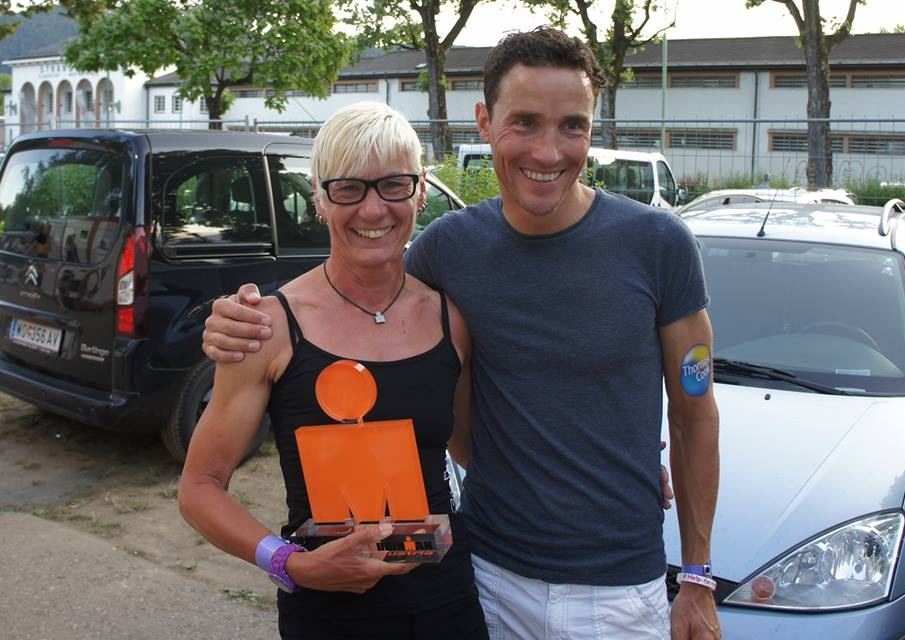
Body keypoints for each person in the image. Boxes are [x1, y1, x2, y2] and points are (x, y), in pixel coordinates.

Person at [203, 27, 721, 640]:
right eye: (525, 122)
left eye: (572, 126)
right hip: (485, 579)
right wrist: (236, 319)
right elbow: (360, 279)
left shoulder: (659, 245)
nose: (548, 151)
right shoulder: (448, 251)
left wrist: (696, 575)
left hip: (618, 594)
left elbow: (694, 414)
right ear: (484, 122)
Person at [178, 102, 487, 640]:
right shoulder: (269, 326)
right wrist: (289, 564)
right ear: (318, 199)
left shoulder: (450, 319)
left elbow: (472, 452)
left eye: (394, 185)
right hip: (328, 613)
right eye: (348, 189)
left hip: (447, 604)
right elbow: (200, 488)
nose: (373, 210)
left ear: (420, 191)